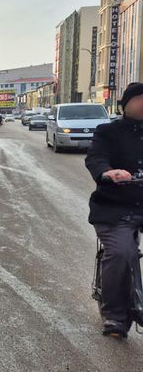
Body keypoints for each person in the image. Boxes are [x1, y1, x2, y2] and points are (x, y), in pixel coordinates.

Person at [85, 82, 143, 338]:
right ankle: (115, 315)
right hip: (115, 207)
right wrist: (107, 172)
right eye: (138, 99)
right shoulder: (107, 132)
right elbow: (96, 158)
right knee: (121, 252)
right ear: (125, 104)